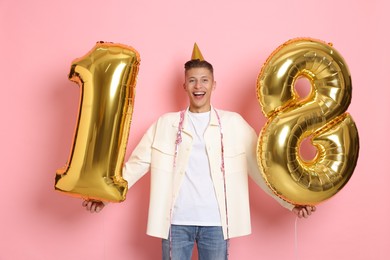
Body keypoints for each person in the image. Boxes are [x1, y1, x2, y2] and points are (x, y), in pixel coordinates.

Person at [82, 43, 315, 259]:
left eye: (204, 80)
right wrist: (105, 197)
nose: (198, 86)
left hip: (217, 223)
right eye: (192, 80)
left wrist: (291, 202)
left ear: (213, 85)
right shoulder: (165, 124)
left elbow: (262, 169)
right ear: (184, 86)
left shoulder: (234, 124)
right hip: (175, 223)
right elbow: (134, 166)